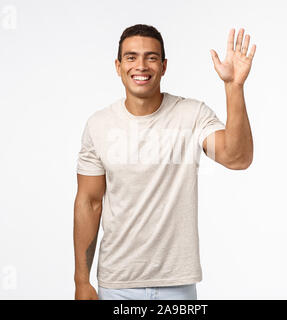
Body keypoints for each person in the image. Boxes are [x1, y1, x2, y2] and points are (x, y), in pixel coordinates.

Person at [73, 24, 255, 300]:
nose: (141, 66)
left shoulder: (192, 115)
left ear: (164, 65)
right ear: (118, 65)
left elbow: (238, 158)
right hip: (117, 284)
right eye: (131, 57)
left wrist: (234, 87)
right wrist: (81, 281)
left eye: (151, 57)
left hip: (176, 285)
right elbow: (89, 202)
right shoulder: (99, 125)